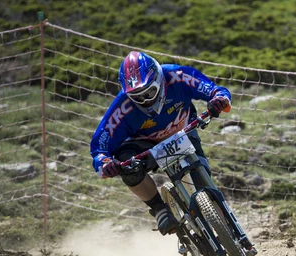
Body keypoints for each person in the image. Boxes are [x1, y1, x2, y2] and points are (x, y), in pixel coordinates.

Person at [90, 51, 231, 236]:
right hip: (146, 147)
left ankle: (229, 230)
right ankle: (159, 210)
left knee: (204, 184)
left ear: (158, 79)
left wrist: (219, 99)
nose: (146, 100)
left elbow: (215, 90)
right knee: (127, 166)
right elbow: (100, 148)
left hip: (183, 133)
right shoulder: (122, 108)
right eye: (137, 97)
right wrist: (106, 164)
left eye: (149, 92)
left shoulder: (178, 76)